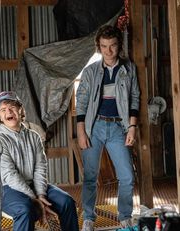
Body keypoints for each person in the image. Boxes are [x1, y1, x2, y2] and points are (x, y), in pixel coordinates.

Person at [76, 25, 140, 231]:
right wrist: (81, 130)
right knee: (90, 176)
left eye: (112, 46)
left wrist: (132, 127)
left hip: (118, 128)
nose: (109, 51)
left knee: (127, 176)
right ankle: (88, 217)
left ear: (119, 45)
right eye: (104, 46)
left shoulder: (129, 69)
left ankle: (124, 216)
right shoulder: (90, 71)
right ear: (99, 47)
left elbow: (134, 99)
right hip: (94, 127)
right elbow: (82, 101)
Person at [0, 91, 79, 231]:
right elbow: (9, 175)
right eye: (3, 109)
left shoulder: (34, 136)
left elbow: (40, 168)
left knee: (66, 201)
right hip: (7, 188)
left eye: (12, 107)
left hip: (33, 185)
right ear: (0, 116)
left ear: (20, 110)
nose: (8, 111)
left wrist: (41, 194)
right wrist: (35, 200)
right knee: (25, 209)